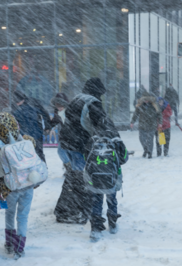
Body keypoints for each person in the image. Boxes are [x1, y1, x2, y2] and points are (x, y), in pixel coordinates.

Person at [58, 78, 126, 240]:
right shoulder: (93, 103)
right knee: (90, 181)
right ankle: (84, 213)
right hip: (80, 145)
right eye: (100, 93)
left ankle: (71, 208)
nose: (101, 97)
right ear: (97, 91)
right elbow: (103, 124)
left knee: (75, 176)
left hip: (67, 143)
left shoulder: (77, 98)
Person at [0, 112, 37, 259]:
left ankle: (9, 243)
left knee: (10, 214)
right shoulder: (28, 141)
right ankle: (20, 247)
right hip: (27, 185)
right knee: (23, 216)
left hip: (9, 189)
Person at [12, 90, 52, 162]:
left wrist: (47, 126)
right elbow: (14, 122)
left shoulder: (33, 103)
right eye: (16, 102)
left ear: (22, 99)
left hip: (35, 134)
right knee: (27, 155)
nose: (17, 103)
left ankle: (43, 170)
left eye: (18, 102)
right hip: (25, 135)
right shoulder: (16, 108)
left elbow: (44, 113)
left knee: (38, 153)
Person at [130, 91, 162, 159]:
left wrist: (160, 123)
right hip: (142, 125)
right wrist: (132, 122)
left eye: (147, 99)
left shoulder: (154, 105)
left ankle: (149, 152)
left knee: (150, 140)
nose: (146, 100)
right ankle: (146, 149)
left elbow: (159, 114)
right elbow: (136, 114)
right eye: (144, 99)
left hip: (152, 125)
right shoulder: (139, 106)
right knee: (142, 139)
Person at [50, 93, 72, 173]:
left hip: (72, 136)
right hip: (63, 136)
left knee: (70, 152)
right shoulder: (57, 112)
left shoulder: (71, 111)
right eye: (57, 106)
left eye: (60, 106)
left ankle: (72, 168)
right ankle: (69, 167)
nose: (59, 108)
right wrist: (48, 126)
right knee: (61, 151)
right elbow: (54, 122)